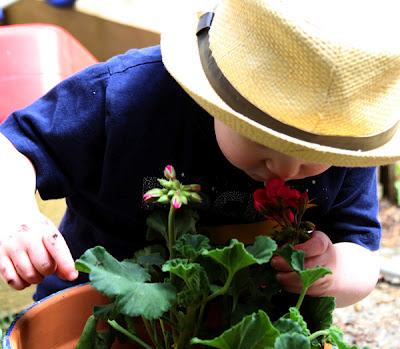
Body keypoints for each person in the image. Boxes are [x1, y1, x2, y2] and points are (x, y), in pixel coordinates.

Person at [1, 0, 399, 308]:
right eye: (261, 139)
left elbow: (360, 253)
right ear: (210, 95)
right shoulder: (126, 99)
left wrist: (330, 273)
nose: (286, 168)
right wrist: (12, 211)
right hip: (98, 308)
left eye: (314, 153)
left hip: (243, 319)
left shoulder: (346, 137)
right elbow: (13, 148)